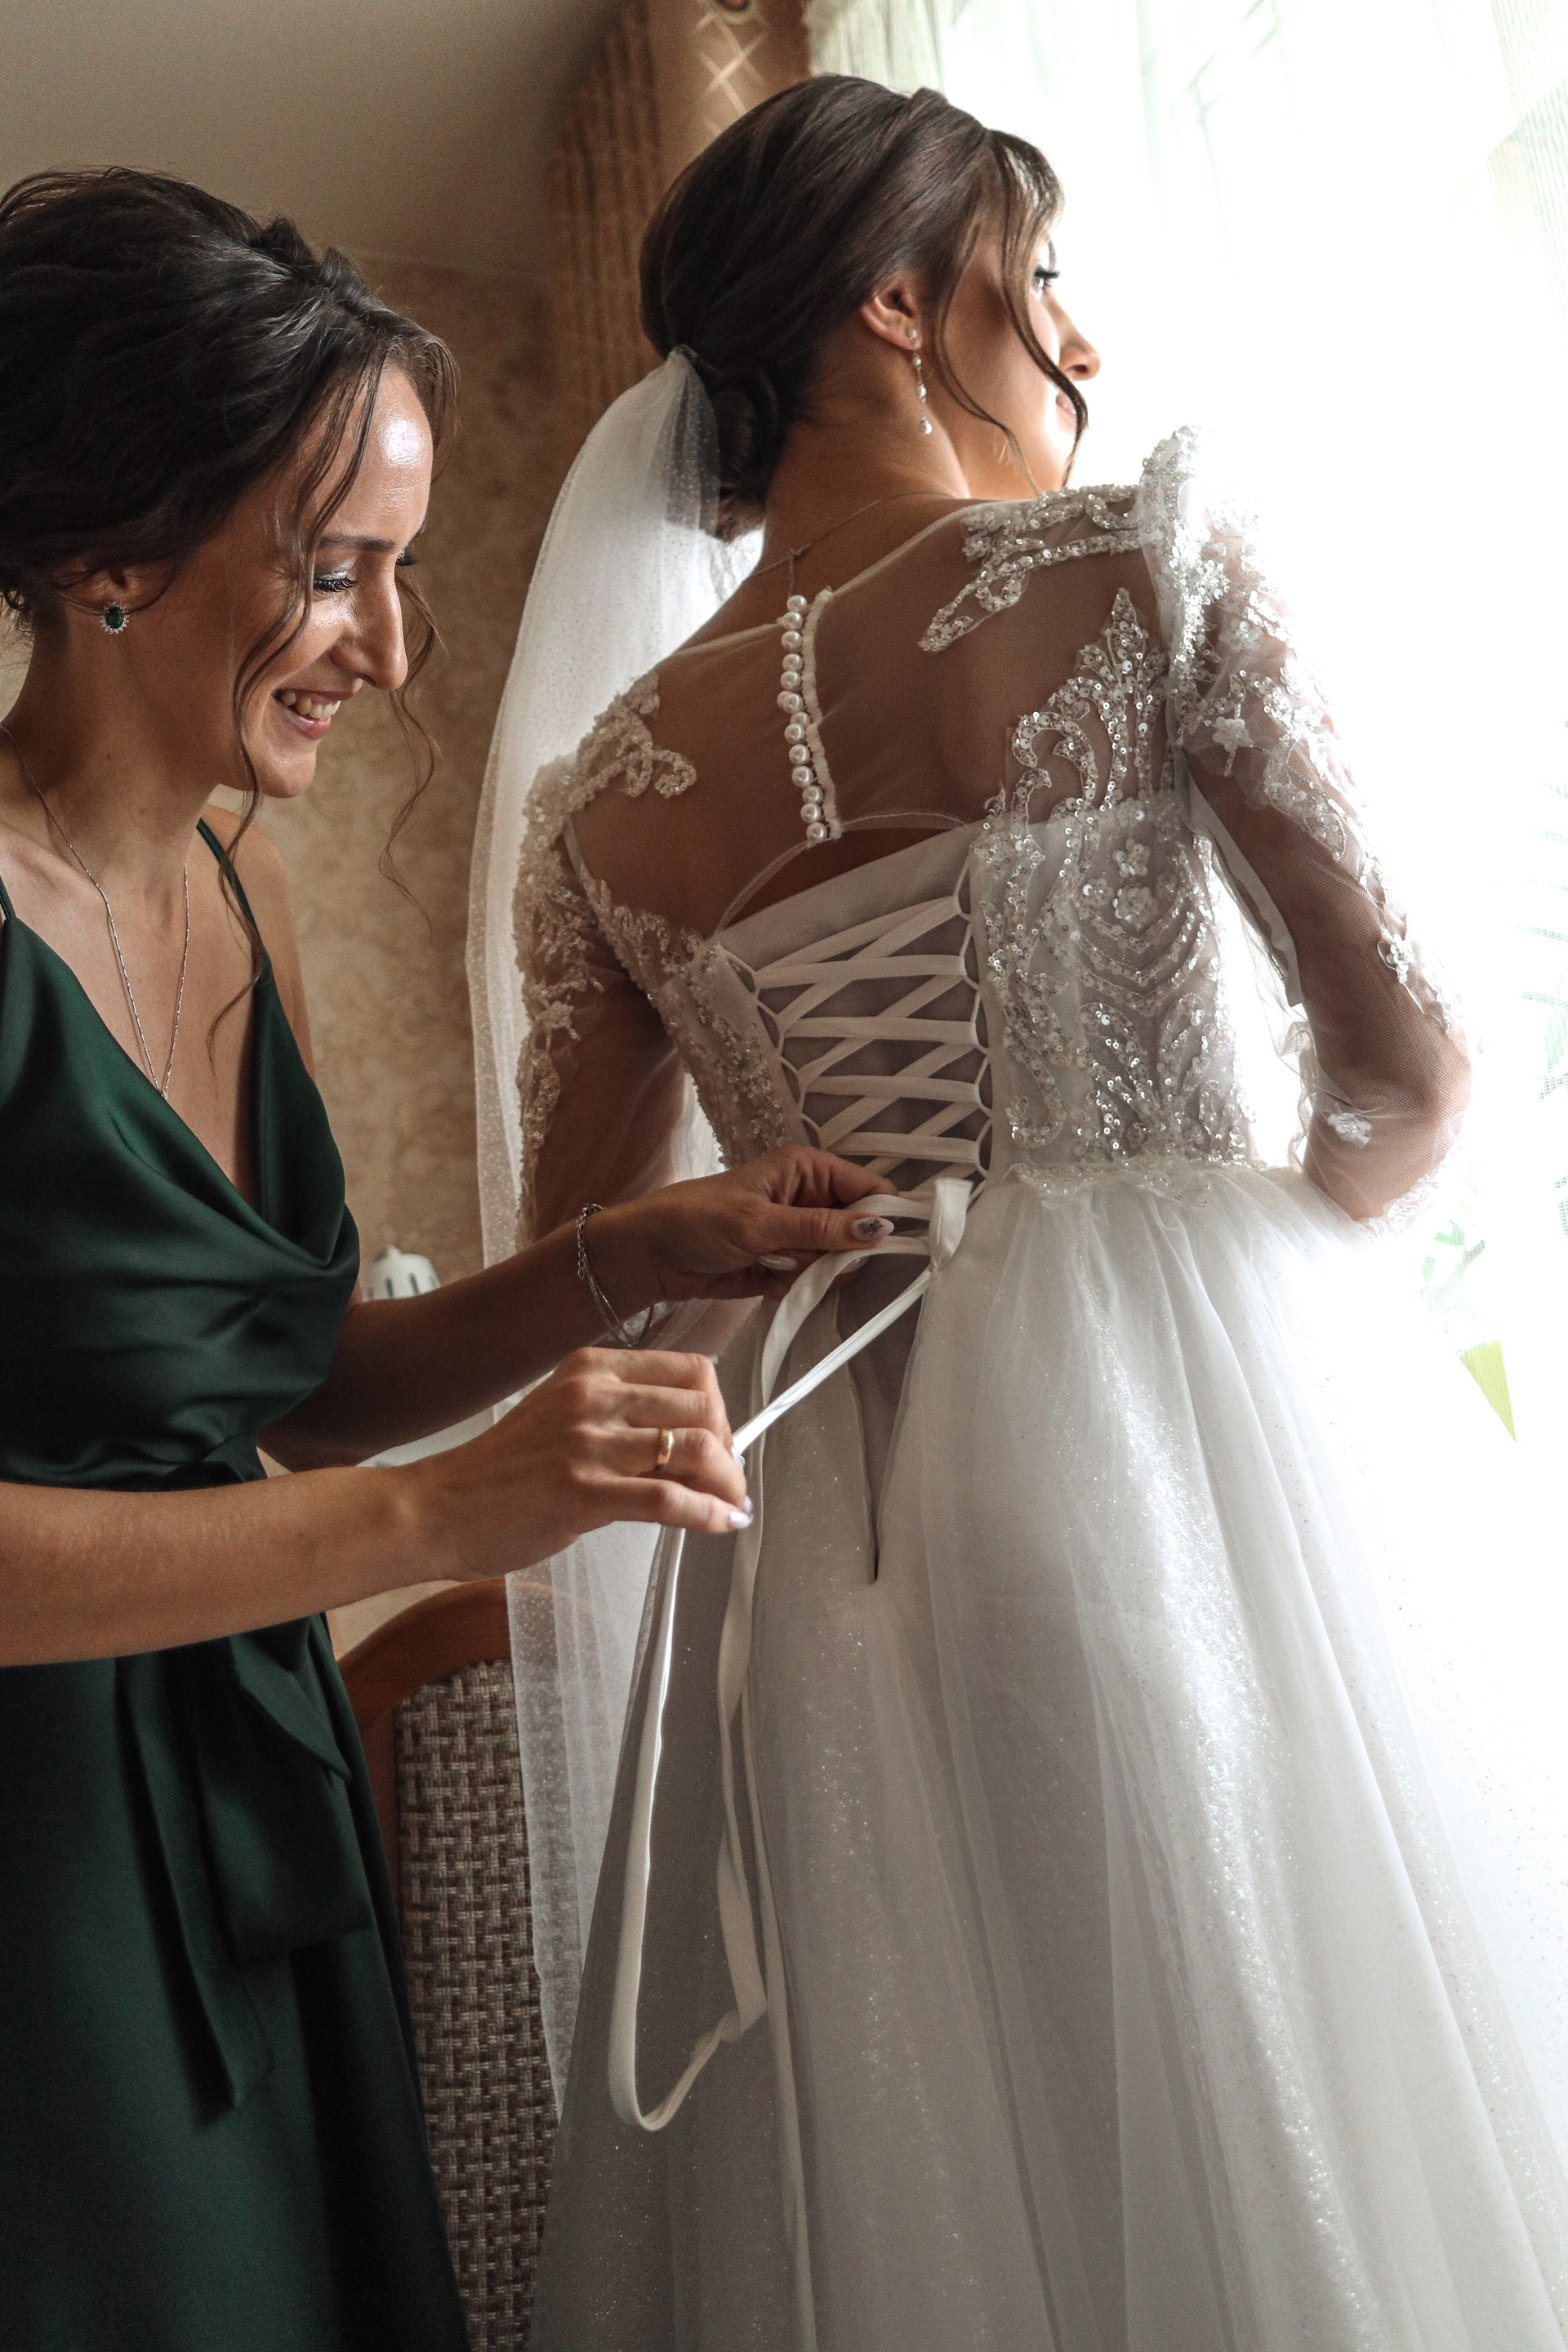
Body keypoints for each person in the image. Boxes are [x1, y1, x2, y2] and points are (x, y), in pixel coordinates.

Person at [478, 77, 1568, 2352]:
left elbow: (597, 1273)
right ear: (898, 304)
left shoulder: (601, 803)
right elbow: (1412, 1064)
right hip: (1186, 1446)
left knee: (938, 2154)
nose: (1078, 338)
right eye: (1038, 272)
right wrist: (1265, 1268)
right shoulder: (1140, 564)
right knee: (1275, 2085)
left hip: (824, 1543)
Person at [0, 166, 898, 2352]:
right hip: (41, 1858)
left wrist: (616, 1255)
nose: (394, 653)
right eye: (336, 572)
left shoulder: (243, 914)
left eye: (398, 576)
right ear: (113, 553)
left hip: (251, 1798)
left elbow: (297, 1382)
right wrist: (442, 1517)